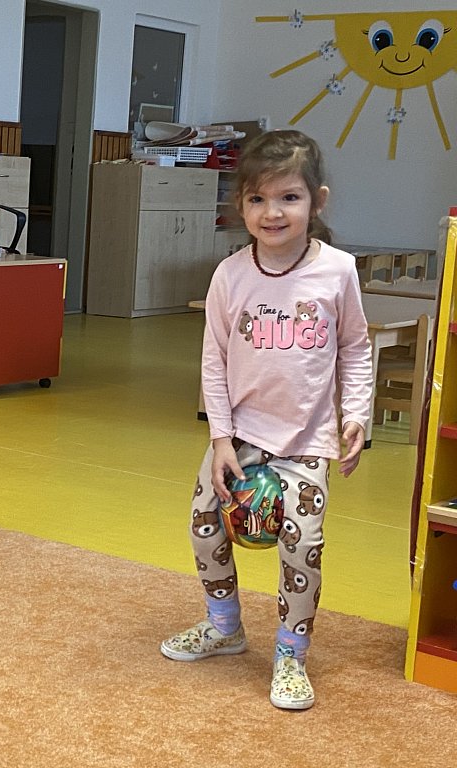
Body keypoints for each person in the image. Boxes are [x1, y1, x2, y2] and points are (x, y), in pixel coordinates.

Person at [159, 130, 373, 710]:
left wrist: (356, 414)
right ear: (241, 205)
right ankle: (224, 626)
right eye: (257, 199)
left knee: (302, 545)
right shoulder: (230, 274)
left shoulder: (338, 271)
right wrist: (220, 438)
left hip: (305, 443)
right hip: (240, 437)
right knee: (205, 525)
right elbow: (214, 360)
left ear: (317, 201)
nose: (272, 212)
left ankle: (291, 654)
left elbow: (355, 348)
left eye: (288, 197)